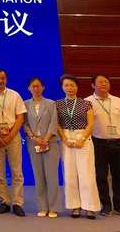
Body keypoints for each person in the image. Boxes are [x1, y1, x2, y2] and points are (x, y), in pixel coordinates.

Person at [56, 75, 101, 219]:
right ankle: (75, 206)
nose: (69, 88)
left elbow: (90, 124)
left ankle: (90, 207)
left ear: (77, 87)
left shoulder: (86, 103)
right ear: (62, 87)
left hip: (83, 138)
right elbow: (56, 124)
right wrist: (65, 139)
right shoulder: (57, 104)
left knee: (86, 174)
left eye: (72, 85)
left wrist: (81, 139)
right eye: (66, 85)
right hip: (66, 139)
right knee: (69, 174)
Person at [0, 69, 27, 216]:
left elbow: (20, 117)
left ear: (6, 79)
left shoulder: (15, 95)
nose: (0, 81)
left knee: (17, 171)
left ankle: (17, 203)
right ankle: (4, 201)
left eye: (2, 78)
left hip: (13, 136)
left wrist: (10, 136)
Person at [23, 77, 60, 218]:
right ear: (29, 88)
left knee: (52, 177)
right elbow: (25, 124)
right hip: (34, 144)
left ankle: (53, 207)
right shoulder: (25, 104)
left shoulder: (51, 103)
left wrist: (45, 140)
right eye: (33, 86)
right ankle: (43, 207)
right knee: (38, 176)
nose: (36, 88)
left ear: (43, 87)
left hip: (50, 143)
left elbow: (53, 123)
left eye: (38, 86)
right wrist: (34, 138)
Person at [85, 74, 120, 215]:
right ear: (93, 85)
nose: (104, 84)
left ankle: (118, 205)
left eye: (106, 82)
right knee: (100, 175)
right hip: (98, 142)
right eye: (100, 82)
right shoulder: (87, 102)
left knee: (118, 175)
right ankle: (105, 205)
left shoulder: (117, 101)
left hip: (118, 141)